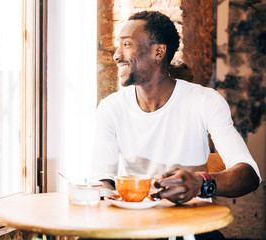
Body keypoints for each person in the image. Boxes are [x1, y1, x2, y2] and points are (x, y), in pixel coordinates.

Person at [92, 10, 261, 206]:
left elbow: (250, 174)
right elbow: (103, 180)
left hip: (189, 226)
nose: (116, 55)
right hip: (134, 224)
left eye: (127, 44)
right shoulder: (110, 108)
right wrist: (100, 191)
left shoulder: (205, 101)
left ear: (158, 52)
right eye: (118, 45)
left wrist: (200, 182)